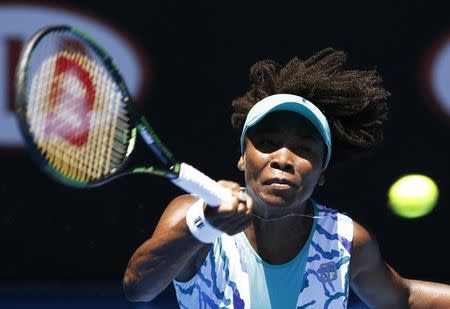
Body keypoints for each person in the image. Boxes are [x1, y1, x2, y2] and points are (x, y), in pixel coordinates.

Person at [122, 48, 450, 308]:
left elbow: (403, 297)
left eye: (303, 149)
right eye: (266, 144)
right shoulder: (191, 215)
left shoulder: (345, 241)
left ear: (322, 171)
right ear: (241, 157)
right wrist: (202, 226)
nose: (282, 159)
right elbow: (138, 288)